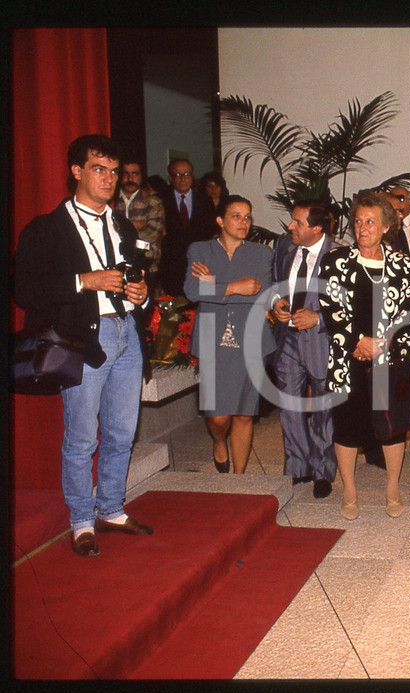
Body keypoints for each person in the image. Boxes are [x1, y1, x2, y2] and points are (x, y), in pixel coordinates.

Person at [14, 134, 153, 556]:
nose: (109, 179)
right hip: (82, 339)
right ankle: (80, 520)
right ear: (76, 171)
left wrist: (141, 294)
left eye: (113, 171)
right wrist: (83, 281)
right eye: (98, 169)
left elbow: (140, 277)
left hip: (126, 332)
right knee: (81, 437)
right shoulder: (47, 228)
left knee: (122, 431)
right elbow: (23, 289)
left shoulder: (123, 224)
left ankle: (110, 508)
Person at [318, 191, 410, 520]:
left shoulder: (404, 266)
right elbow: (330, 308)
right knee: (347, 426)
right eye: (359, 221)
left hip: (388, 361)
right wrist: (357, 341)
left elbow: (409, 313)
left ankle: (392, 488)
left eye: (371, 221)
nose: (363, 228)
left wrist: (382, 342)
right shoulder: (335, 262)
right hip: (347, 361)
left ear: (387, 225)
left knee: (391, 428)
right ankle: (349, 490)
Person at [185, 195, 275, 475]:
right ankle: (219, 439)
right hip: (212, 336)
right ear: (220, 220)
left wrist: (214, 284)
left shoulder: (262, 253)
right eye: (236, 216)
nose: (244, 222)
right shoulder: (200, 250)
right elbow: (192, 291)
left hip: (249, 338)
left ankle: (239, 480)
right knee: (217, 415)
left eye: (248, 216)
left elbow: (260, 294)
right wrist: (235, 286)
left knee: (243, 414)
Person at [270, 200, 339, 498]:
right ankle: (298, 466)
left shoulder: (339, 255)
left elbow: (349, 302)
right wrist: (276, 304)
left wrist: (318, 317)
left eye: (298, 222)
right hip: (287, 340)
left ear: (317, 228)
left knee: (323, 408)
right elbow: (274, 283)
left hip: (322, 342)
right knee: (289, 404)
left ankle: (323, 469)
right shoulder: (284, 247)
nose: (291, 227)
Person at [159, 158, 216, 296]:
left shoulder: (205, 200)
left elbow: (211, 232)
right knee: (175, 313)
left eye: (187, 174)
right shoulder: (160, 200)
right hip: (172, 267)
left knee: (206, 307)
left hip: (202, 265)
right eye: (178, 175)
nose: (183, 179)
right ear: (170, 178)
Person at [113, 157, 165, 290]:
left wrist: (122, 230)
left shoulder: (153, 202)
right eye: (126, 173)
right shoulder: (111, 202)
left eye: (135, 173)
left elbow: (153, 234)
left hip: (147, 266)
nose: (130, 178)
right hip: (116, 269)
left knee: (145, 309)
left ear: (141, 176)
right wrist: (137, 225)